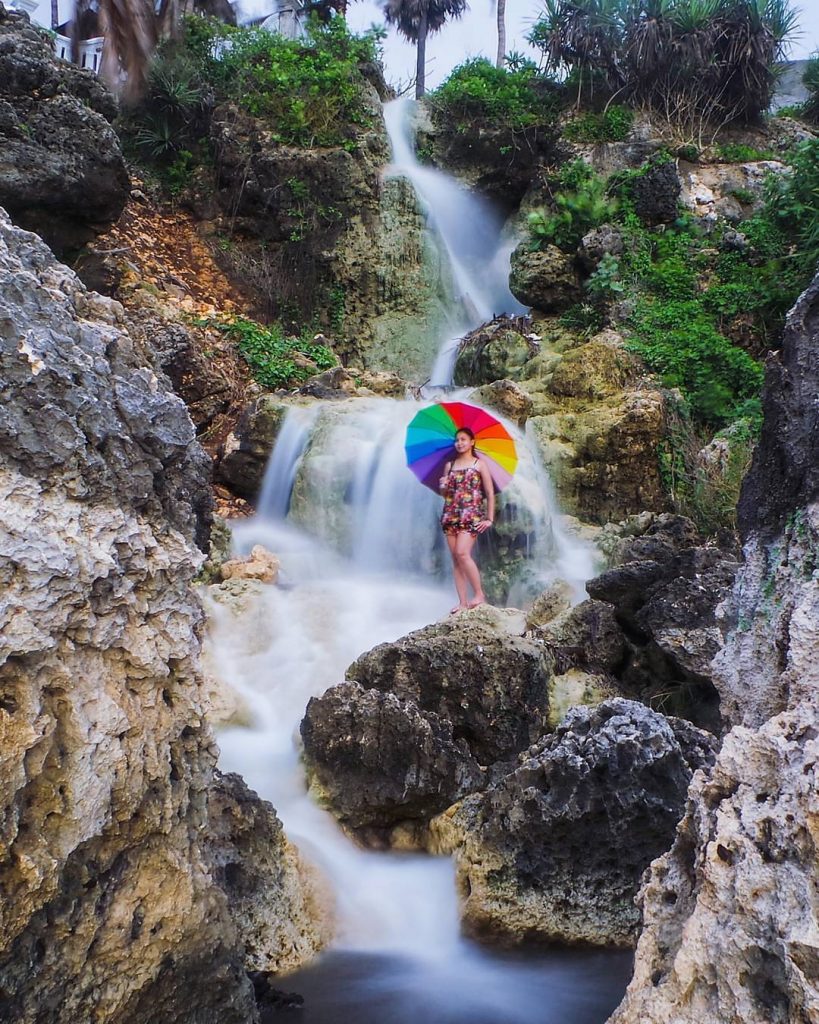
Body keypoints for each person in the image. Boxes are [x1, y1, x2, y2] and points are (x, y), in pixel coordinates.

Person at [438, 427, 495, 614]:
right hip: (450, 515)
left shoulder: (479, 464)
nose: (459, 443)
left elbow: (489, 492)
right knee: (456, 559)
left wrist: (489, 518)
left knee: (463, 553)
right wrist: (443, 486)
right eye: (457, 440)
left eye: (463, 439)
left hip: (471, 515)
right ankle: (462, 602)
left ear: (472, 442)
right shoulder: (450, 465)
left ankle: (479, 594)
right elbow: (445, 494)